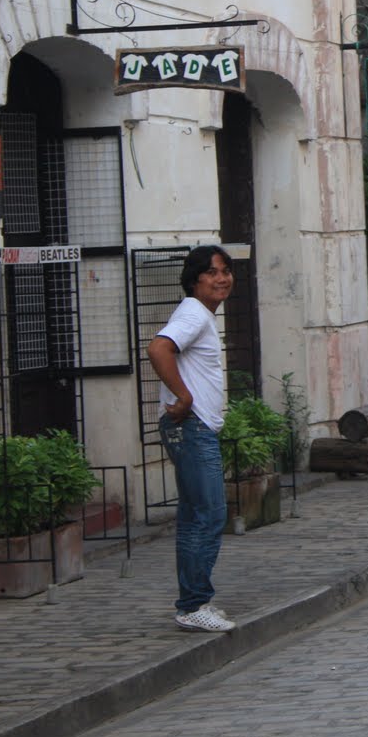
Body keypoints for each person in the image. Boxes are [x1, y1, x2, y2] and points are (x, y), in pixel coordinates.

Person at [147, 245, 237, 633]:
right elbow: (158, 348)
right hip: (191, 426)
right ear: (194, 279)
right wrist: (184, 397)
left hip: (194, 427)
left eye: (226, 271)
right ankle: (193, 605)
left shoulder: (199, 314)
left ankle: (194, 601)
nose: (223, 279)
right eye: (213, 272)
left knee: (194, 516)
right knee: (210, 514)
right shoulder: (193, 313)